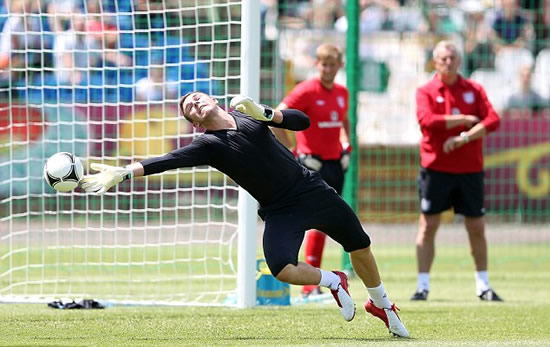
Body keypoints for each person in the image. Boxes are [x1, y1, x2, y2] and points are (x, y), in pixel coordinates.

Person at [81, 91, 410, 338]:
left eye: (197, 98)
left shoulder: (251, 116)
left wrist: (266, 113)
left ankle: (380, 302)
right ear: (195, 122)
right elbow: (167, 160)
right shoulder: (207, 144)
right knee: (282, 268)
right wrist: (123, 173)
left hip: (312, 191)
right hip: (280, 210)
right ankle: (332, 280)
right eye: (190, 109)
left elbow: (302, 122)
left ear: (212, 98)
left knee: (360, 246)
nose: (195, 103)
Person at [412, 40, 502, 302]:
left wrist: (464, 137)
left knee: (476, 226)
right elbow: (426, 121)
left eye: (452, 58)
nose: (448, 62)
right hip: (435, 168)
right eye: (443, 59)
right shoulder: (426, 91)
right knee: (428, 225)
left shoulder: (474, 89)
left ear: (459, 60)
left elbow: (493, 119)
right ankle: (422, 286)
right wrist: (462, 118)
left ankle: (483, 285)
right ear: (435, 62)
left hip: (470, 169)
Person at [272, 43, 352, 298]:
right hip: (311, 164)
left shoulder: (342, 92)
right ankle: (307, 283)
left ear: (340, 65)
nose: (328, 69)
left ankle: (312, 283)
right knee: (306, 220)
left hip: (335, 163)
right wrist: (293, 153)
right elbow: (276, 118)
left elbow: (344, 119)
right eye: (323, 64)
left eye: (333, 64)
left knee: (325, 222)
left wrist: (346, 145)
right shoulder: (305, 90)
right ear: (317, 65)